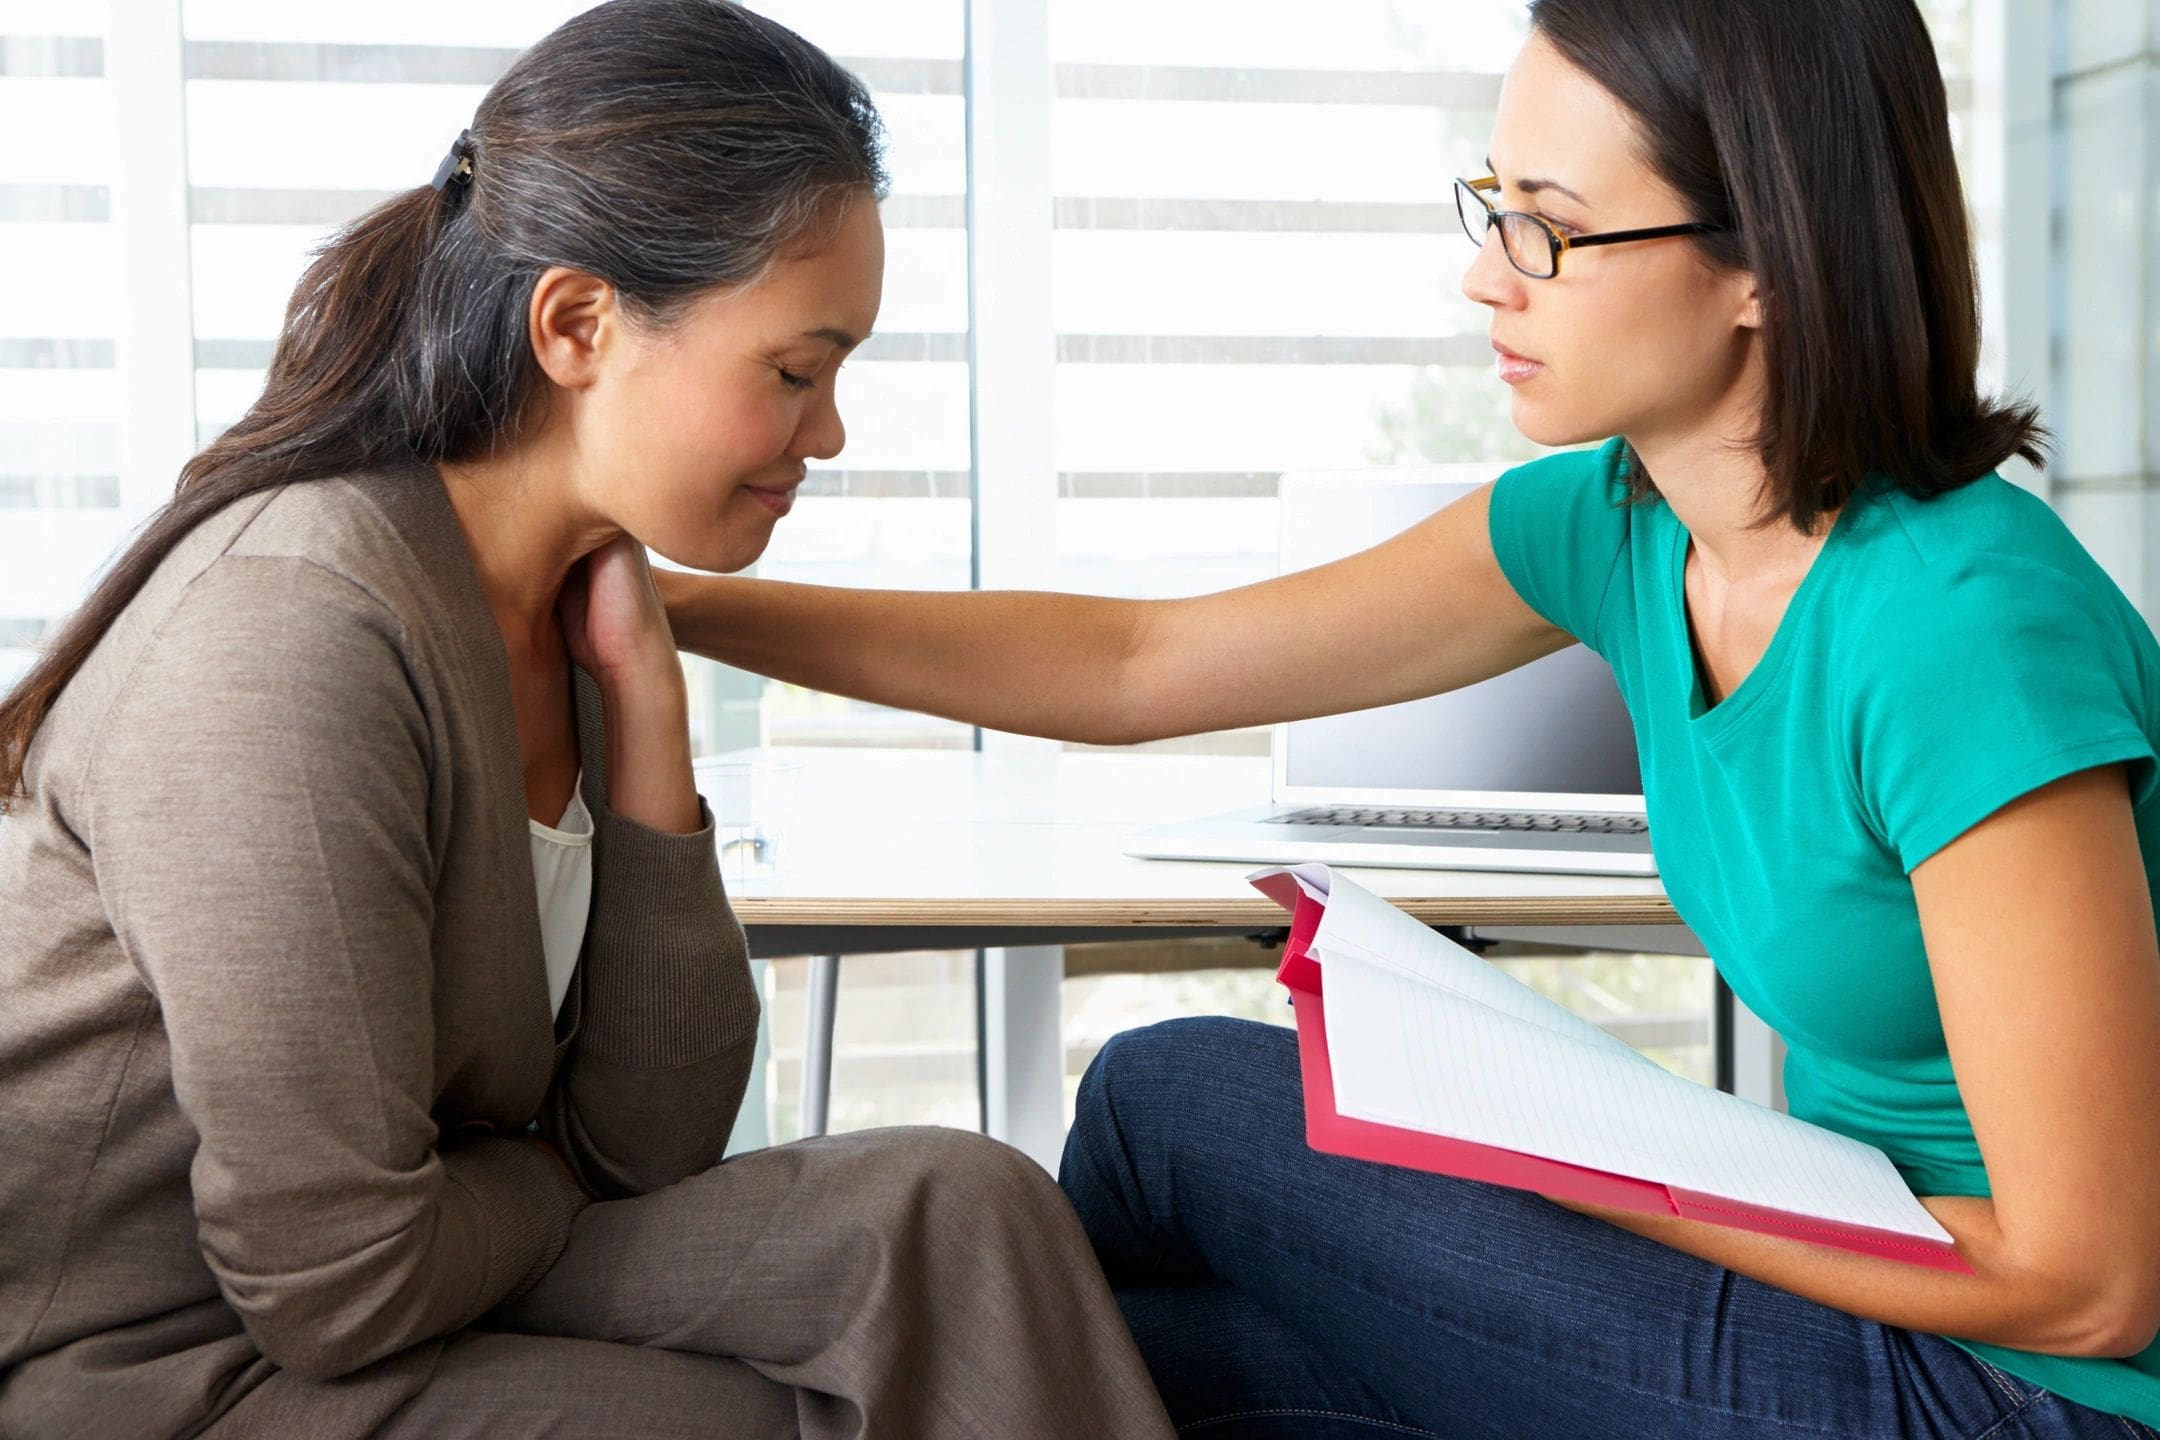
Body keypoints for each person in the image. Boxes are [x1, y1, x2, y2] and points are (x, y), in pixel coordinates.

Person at [652, 0, 2160, 1434]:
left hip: (2026, 1398)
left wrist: (1571, 1157)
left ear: (1767, 257)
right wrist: (684, 609)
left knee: (1168, 1095)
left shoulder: (1958, 633)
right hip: (1860, 1317)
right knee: (1132, 1372)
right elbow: (1135, 667)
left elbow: (2088, 1282)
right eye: (1491, 203)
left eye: (1550, 227)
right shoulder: (1623, 527)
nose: (1487, 275)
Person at [0, 3, 1179, 1437]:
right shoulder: (290, 638)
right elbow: (336, 1283)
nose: (830, 435)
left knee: (956, 1207)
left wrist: (649, 722)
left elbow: (649, 1136)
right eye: (795, 372)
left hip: (420, 1269)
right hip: (163, 1363)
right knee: (761, 1419)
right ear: (576, 324)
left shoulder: (574, 614)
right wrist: (547, 1171)